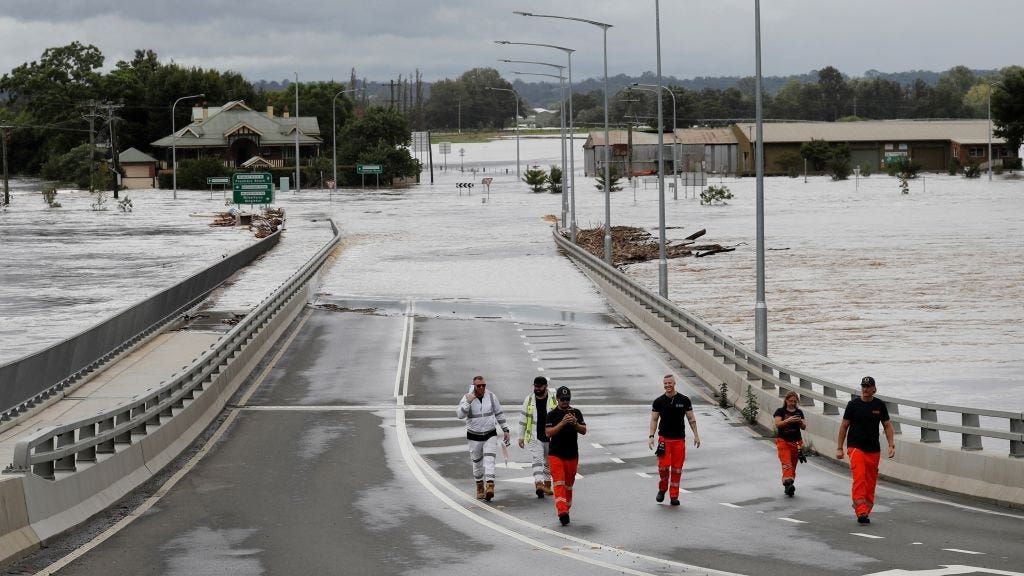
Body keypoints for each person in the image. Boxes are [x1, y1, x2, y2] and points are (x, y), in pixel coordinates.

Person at [835, 376, 896, 525]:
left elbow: (887, 425)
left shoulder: (879, 405)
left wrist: (891, 444)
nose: (865, 389)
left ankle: (866, 510)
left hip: (873, 449)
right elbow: (844, 426)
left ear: (874, 389)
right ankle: (861, 510)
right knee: (860, 477)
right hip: (855, 447)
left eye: (868, 386)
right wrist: (839, 448)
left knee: (870, 481)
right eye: (863, 386)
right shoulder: (853, 405)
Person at [648, 374, 701, 506]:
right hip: (664, 440)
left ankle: (674, 496)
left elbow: (691, 419)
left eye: (669, 383)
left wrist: (696, 435)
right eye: (665, 384)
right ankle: (662, 488)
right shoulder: (658, 401)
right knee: (663, 468)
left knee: (677, 469)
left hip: (679, 440)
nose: (667, 386)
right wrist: (651, 436)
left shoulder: (684, 400)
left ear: (674, 383)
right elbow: (654, 420)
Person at [456, 375, 510, 501]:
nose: (481, 388)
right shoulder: (467, 397)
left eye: (483, 385)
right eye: (478, 386)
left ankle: (490, 485)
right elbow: (459, 415)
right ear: (474, 386)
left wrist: (505, 429)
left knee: (490, 459)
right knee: (477, 462)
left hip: (490, 433)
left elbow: (498, 412)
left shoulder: (491, 396)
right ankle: (479, 486)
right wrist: (468, 402)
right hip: (474, 435)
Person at [546, 386, 587, 526]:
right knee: (559, 482)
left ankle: (566, 508)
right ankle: (562, 511)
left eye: (567, 399)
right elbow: (548, 433)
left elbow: (584, 430)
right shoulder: (552, 414)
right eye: (562, 399)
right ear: (557, 399)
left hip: (572, 454)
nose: (565, 402)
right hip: (556, 454)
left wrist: (575, 423)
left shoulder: (576, 412)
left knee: (568, 485)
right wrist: (562, 423)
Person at [518, 376, 557, 498]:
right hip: (535, 435)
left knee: (548, 462)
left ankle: (547, 485)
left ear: (545, 386)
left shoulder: (554, 398)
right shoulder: (529, 400)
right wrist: (521, 436)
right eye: (535, 386)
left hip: (551, 435)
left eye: (539, 387)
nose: (537, 389)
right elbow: (523, 418)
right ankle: (539, 483)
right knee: (537, 460)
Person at [773, 391, 807, 497]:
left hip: (796, 442)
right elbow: (778, 424)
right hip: (783, 441)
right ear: (786, 400)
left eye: (794, 401)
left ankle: (789, 485)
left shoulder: (799, 412)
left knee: (792, 465)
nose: (792, 403)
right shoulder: (780, 411)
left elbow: (804, 427)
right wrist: (788, 420)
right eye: (790, 401)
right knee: (786, 463)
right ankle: (788, 482)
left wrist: (800, 422)